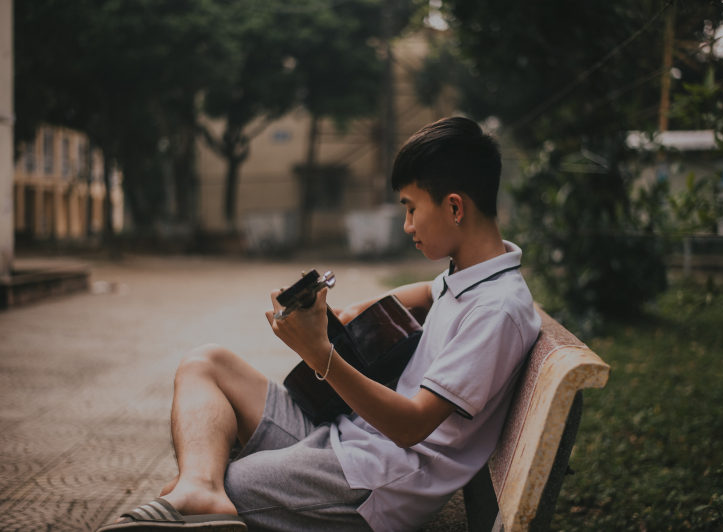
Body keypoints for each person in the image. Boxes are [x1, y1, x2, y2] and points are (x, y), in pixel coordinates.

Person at [97, 116, 541, 532]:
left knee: (233, 478)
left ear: (455, 208)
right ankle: (201, 489)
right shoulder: (471, 274)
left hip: (381, 478)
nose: (407, 225)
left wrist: (320, 354)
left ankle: (206, 489)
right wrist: (349, 314)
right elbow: (430, 291)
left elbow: (411, 427)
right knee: (206, 364)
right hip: (348, 436)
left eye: (410, 209)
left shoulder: (496, 310)